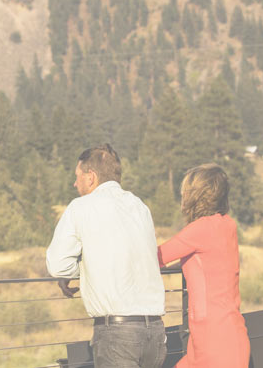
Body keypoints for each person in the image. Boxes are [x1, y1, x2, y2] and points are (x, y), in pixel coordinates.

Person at [47, 144, 167, 368]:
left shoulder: (81, 207)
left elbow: (57, 265)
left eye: (77, 176)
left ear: (91, 177)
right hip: (155, 332)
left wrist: (81, 269)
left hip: (117, 335)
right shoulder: (140, 207)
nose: (75, 183)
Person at [157, 164, 249, 367]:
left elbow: (156, 257)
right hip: (215, 340)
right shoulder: (226, 224)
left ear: (193, 195)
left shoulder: (201, 229)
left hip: (215, 343)